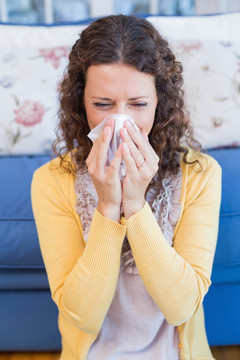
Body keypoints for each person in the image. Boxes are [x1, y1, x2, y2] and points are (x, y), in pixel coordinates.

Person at [31, 14, 222, 360]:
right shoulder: (51, 181)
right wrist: (107, 206)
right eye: (102, 105)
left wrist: (135, 206)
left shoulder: (201, 174)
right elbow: (82, 316)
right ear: (80, 103)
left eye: (138, 105)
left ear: (160, 103)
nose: (120, 122)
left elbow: (183, 308)